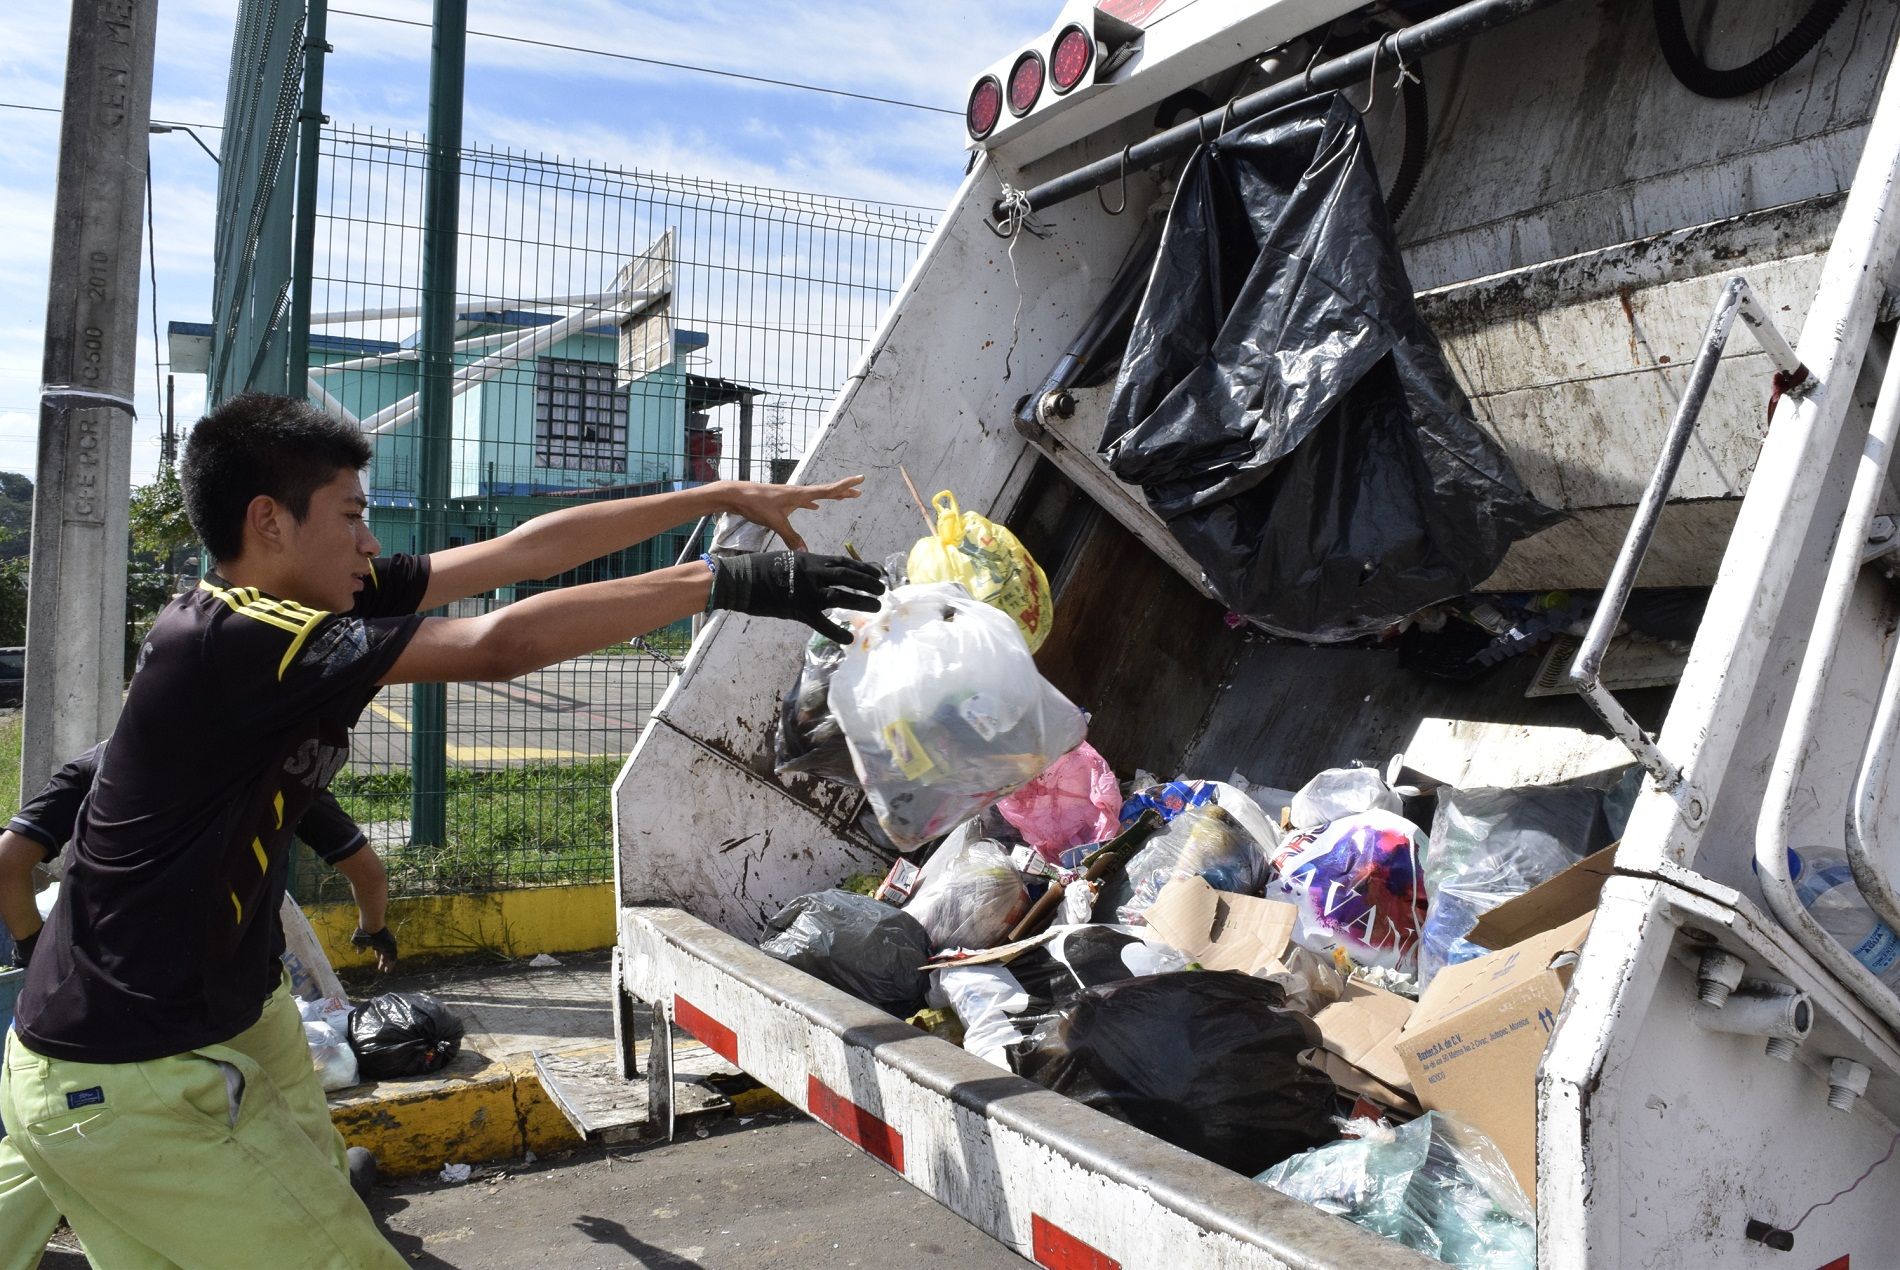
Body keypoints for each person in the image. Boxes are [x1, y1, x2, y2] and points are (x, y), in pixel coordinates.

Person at [0, 392, 883, 1268]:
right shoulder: (242, 635)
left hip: (214, 1018)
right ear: (268, 522)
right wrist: (731, 582)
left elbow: (519, 553)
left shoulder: (315, 600)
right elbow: (496, 646)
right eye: (351, 516)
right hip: (129, 1062)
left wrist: (719, 499)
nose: (370, 542)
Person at [0, 743, 396, 1267]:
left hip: (117, 1012)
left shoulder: (111, 763)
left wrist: (35, 947)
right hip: (244, 992)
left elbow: (10, 861)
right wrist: (374, 929)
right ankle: (327, 1203)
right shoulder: (276, 765)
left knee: (46, 1137)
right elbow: (366, 869)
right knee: (296, 1118)